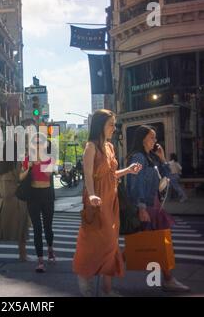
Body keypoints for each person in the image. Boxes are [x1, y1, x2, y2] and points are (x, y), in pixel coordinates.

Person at [72, 109, 142, 297]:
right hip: (96, 201)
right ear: (100, 125)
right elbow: (87, 176)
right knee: (92, 243)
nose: (114, 127)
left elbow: (111, 175)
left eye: (114, 124)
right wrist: (92, 196)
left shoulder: (110, 147)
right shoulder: (90, 147)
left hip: (111, 200)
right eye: (111, 124)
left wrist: (128, 170)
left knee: (111, 245)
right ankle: (84, 280)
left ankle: (107, 289)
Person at [126, 126, 190, 292]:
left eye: (155, 138)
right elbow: (135, 184)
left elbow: (167, 177)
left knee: (154, 244)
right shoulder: (138, 157)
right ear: (142, 139)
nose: (155, 141)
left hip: (153, 205)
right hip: (146, 206)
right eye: (152, 138)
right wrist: (141, 208)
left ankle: (168, 279)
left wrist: (162, 158)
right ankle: (106, 269)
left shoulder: (150, 157)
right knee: (150, 244)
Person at [0, 142, 31, 262]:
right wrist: (28, 169)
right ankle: (22, 255)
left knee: (0, 229)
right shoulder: (16, 164)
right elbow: (20, 178)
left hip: (3, 201)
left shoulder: (1, 165)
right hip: (16, 200)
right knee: (22, 228)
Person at [20, 136, 55, 273]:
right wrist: (29, 167)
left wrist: (39, 162)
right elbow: (20, 177)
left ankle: (50, 249)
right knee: (37, 228)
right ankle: (40, 260)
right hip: (33, 196)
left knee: (47, 227)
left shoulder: (49, 158)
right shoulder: (28, 159)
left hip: (47, 195)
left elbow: (48, 174)